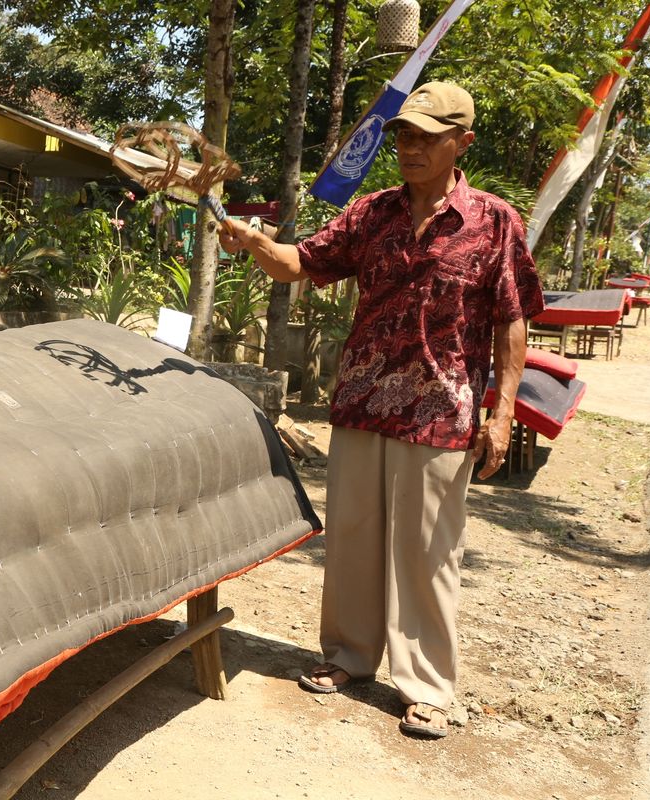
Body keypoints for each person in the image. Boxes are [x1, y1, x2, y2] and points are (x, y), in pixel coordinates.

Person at [219, 81, 543, 739]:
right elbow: (300, 263)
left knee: (427, 554)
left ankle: (425, 685)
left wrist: (502, 411)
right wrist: (254, 244)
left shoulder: (494, 221)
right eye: (404, 135)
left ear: (462, 142)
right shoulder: (372, 214)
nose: (411, 147)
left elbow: (513, 320)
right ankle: (348, 657)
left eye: (427, 135)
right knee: (355, 543)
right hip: (363, 402)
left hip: (440, 412)